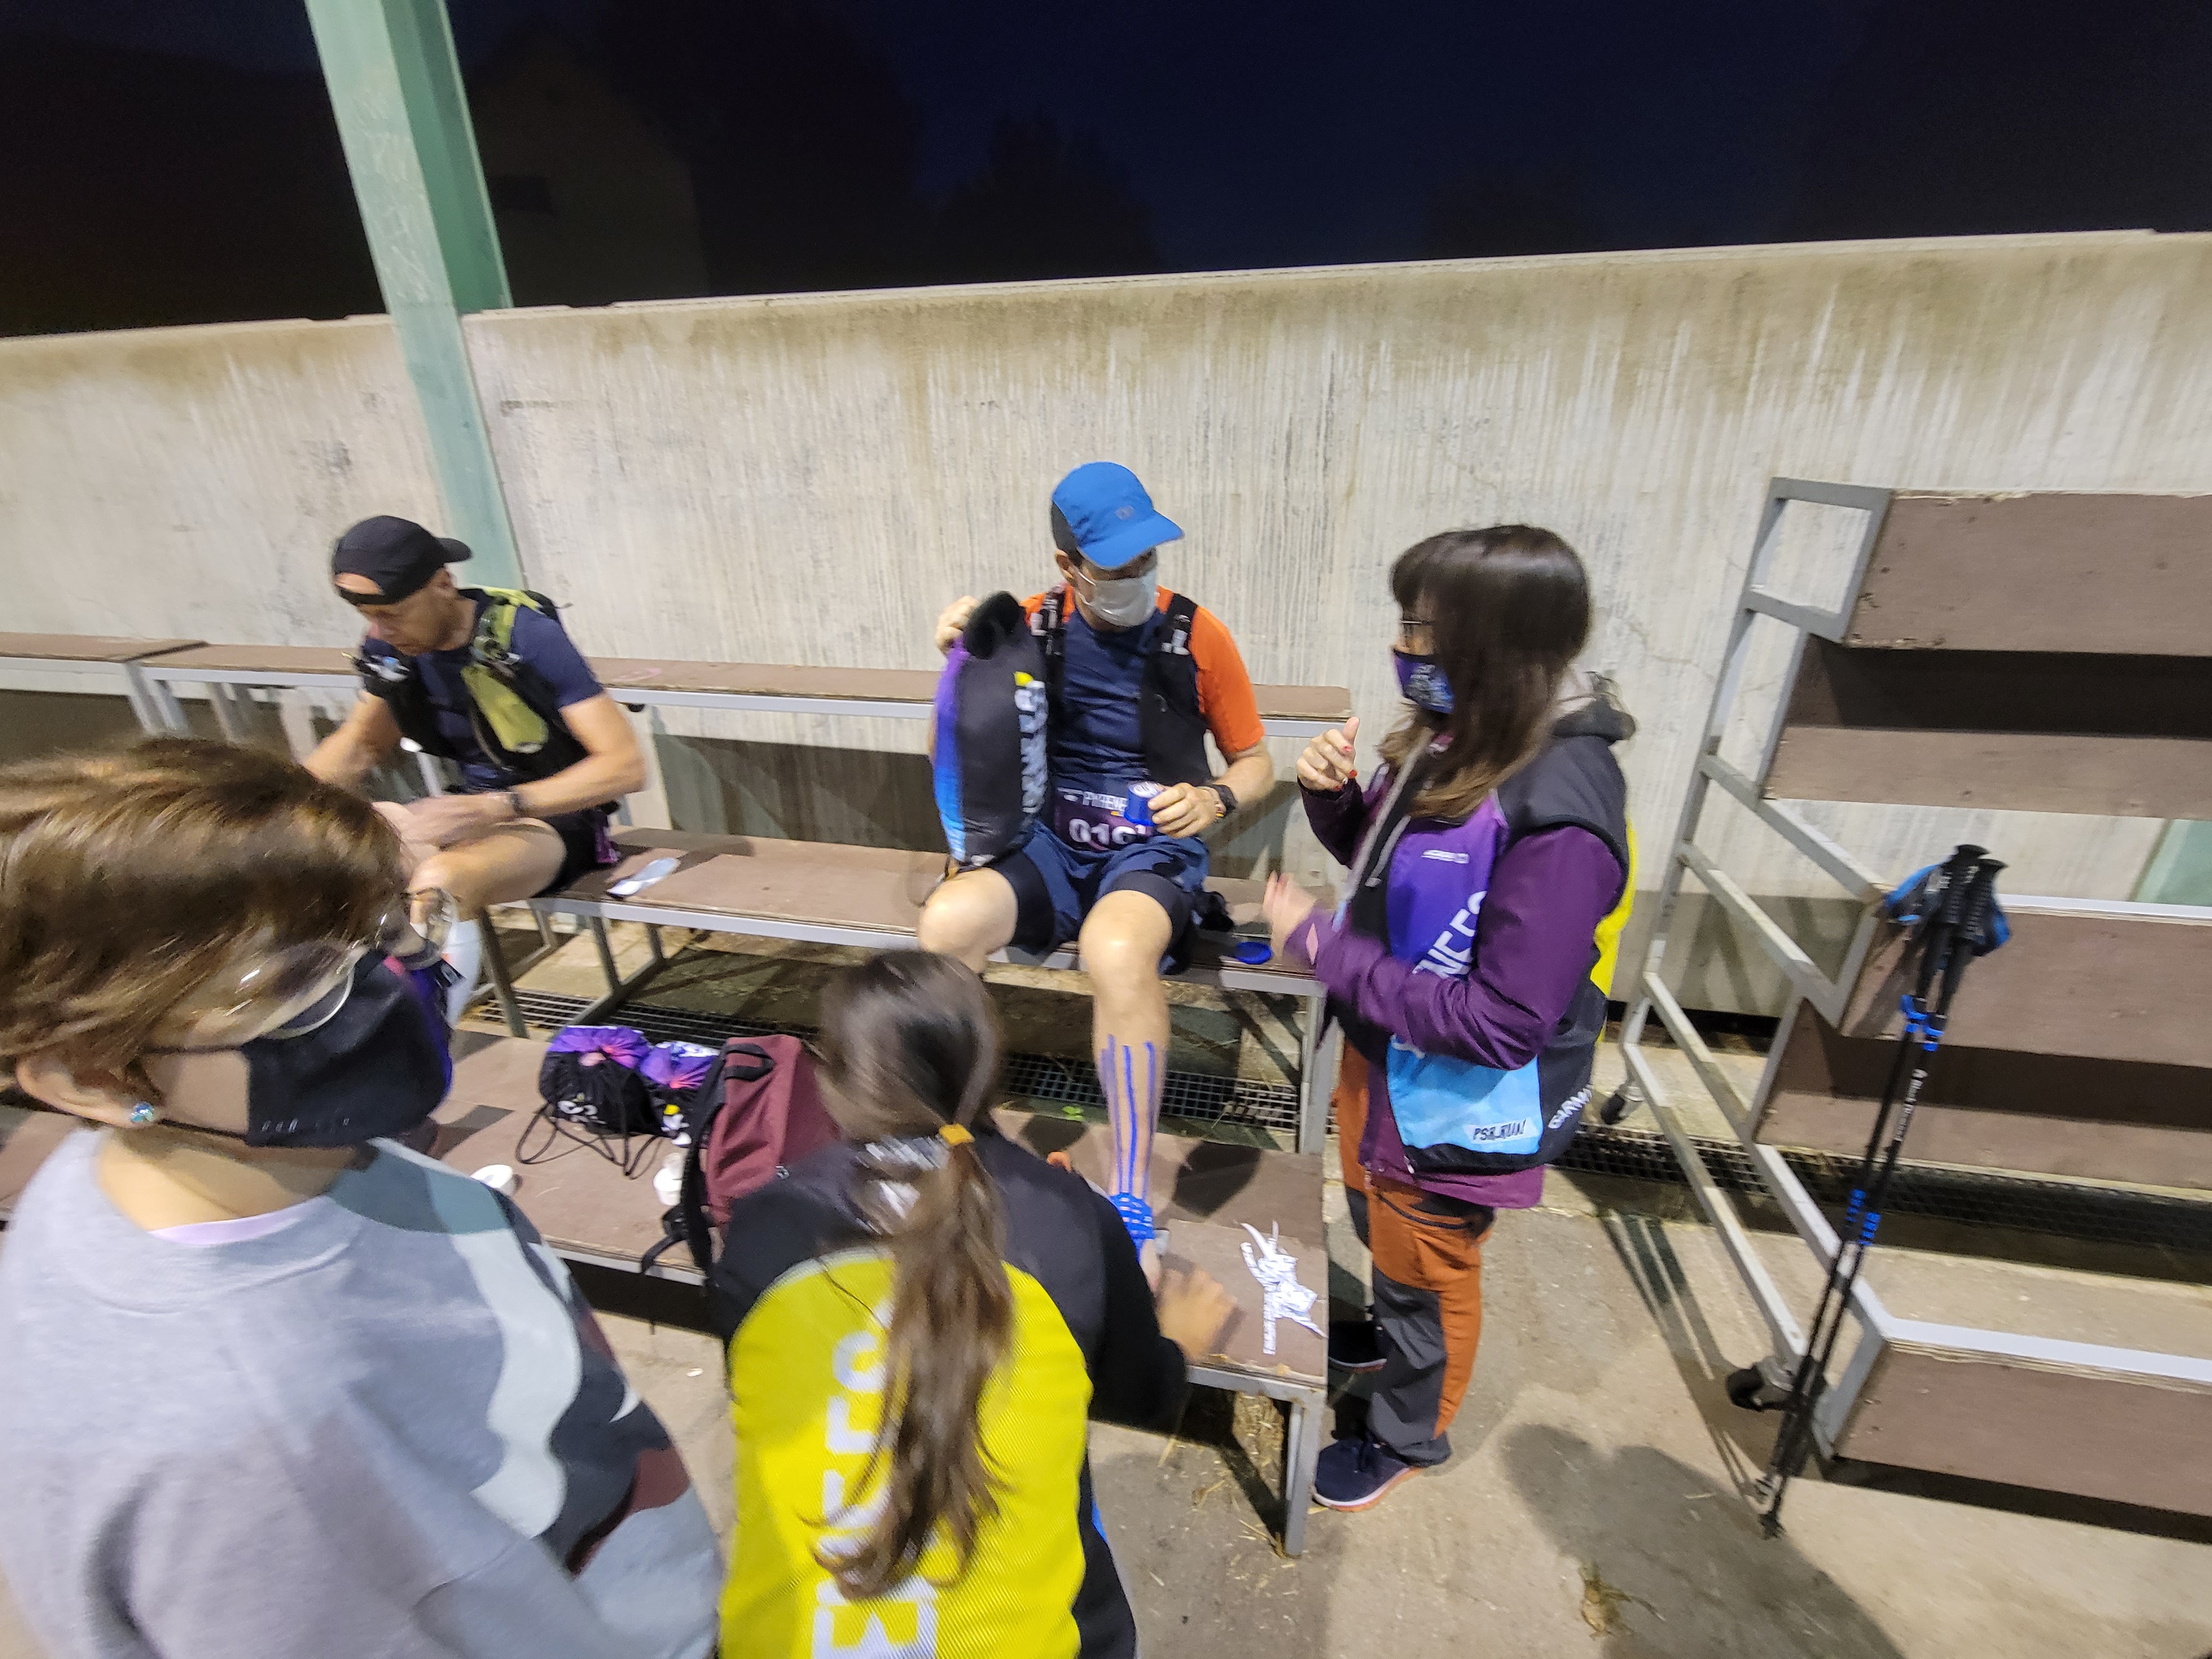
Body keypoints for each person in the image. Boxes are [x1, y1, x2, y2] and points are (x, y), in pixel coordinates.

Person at [0, 740, 722, 1658]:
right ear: (96, 1076)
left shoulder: (241, 1160)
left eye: (386, 922)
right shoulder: (258, 1446)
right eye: (295, 983)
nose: (387, 984)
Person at [707, 951, 1235, 1657]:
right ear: (990, 1072)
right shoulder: (1070, 1216)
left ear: (831, 1080)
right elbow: (1138, 1396)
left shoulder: (764, 1224)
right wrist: (1178, 1344)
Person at [1262, 526, 1634, 1512]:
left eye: (1422, 630)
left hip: (1456, 1099)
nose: (1403, 648)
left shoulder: (1561, 810)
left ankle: (1404, 1432)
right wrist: (1335, 805)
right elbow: (1401, 875)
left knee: (1429, 1267)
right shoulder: (1460, 735)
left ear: (1490, 643)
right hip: (1386, 1054)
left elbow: (1504, 1022)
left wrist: (1324, 950)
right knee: (1380, 1224)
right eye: (1405, 624)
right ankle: (1390, 1327)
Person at [918, 463, 1275, 1273]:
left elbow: (1256, 761)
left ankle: (1130, 1197)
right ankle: (961, 1152)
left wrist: (1216, 798)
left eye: (1147, 557)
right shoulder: (1028, 626)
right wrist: (959, 668)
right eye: (1115, 565)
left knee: (1116, 951)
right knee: (944, 925)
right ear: (1068, 564)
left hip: (1151, 851)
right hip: (1048, 847)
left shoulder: (1198, 635)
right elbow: (950, 753)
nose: (1136, 575)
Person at [306, 514, 647, 1020]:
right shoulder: (389, 646)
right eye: (367, 616)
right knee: (328, 856)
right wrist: (271, 809)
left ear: (443, 584)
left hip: (554, 819)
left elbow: (625, 766)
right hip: (464, 812)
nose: (379, 630)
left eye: (392, 613)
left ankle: (424, 1041)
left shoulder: (526, 635)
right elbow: (360, 745)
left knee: (440, 882)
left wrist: (495, 807)